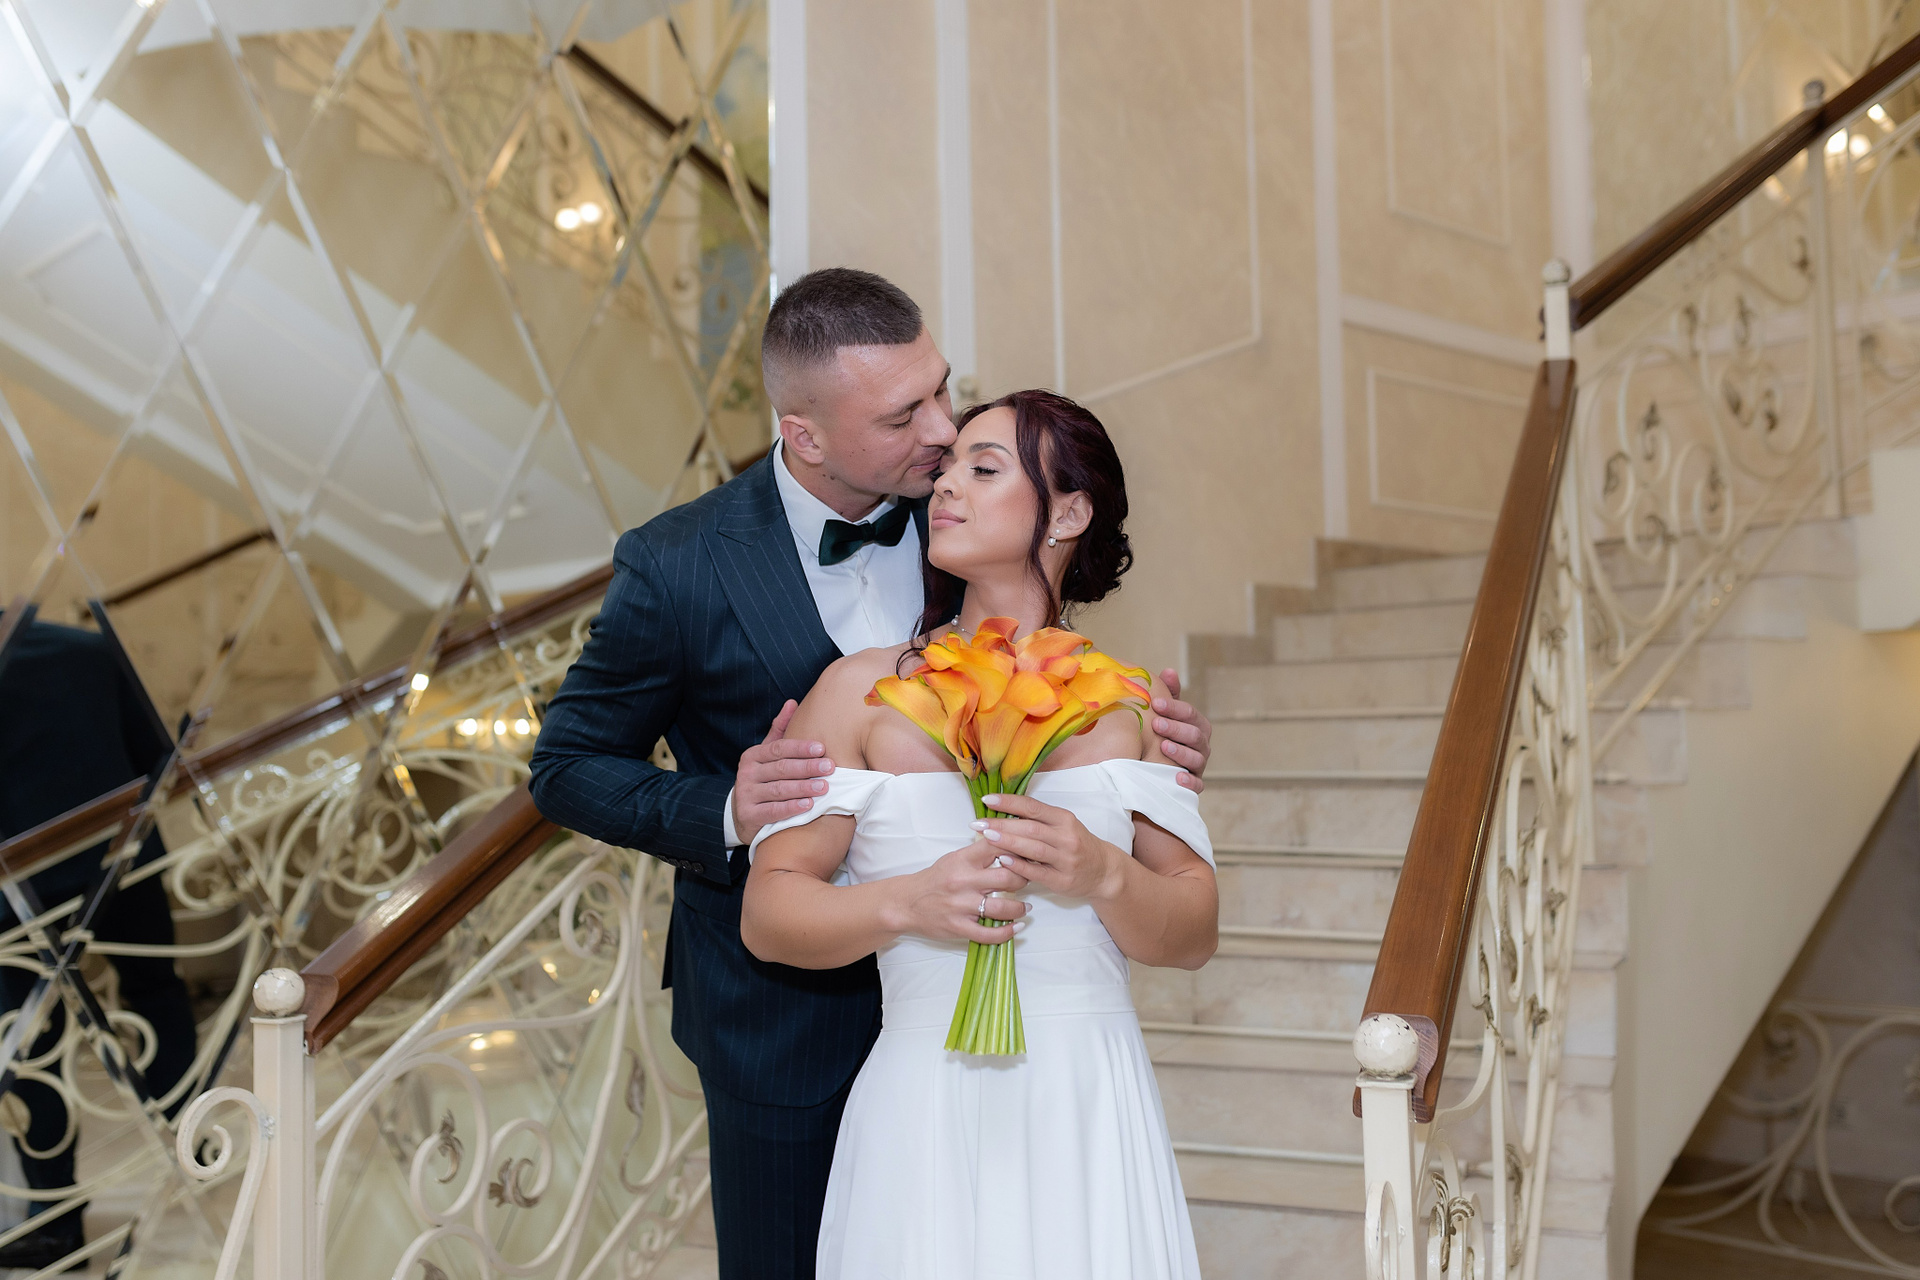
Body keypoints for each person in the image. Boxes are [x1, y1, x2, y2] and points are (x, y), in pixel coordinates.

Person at [527, 268, 1213, 1280]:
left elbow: (1145, 835)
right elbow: (565, 764)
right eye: (905, 416)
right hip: (782, 1020)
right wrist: (729, 808)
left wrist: (1144, 765)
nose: (941, 434)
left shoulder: (964, 520)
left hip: (1037, 1036)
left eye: (943, 390)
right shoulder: (678, 566)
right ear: (806, 435)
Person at [741, 391, 1214, 1279]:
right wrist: (905, 904)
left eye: (983, 468)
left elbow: (1193, 935)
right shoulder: (856, 691)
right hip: (923, 1097)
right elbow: (768, 915)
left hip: (1086, 1098)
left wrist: (1104, 873)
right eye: (948, 468)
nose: (946, 485)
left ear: (1068, 514)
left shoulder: (1134, 705)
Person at [0, 620, 199, 1270]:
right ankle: (192, 1147)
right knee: (156, 990)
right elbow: (158, 756)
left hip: (20, 886)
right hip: (122, 858)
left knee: (31, 1038)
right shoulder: (86, 646)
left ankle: (56, 1219)